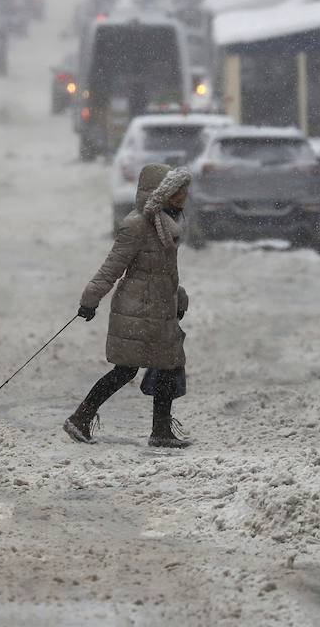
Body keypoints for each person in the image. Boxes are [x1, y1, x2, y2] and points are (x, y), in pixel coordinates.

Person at [65, 164, 194, 449]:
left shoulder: (165, 224)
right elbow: (112, 267)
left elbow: (164, 272)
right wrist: (90, 299)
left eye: (185, 190)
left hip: (158, 309)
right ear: (161, 193)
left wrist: (179, 297)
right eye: (178, 190)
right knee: (128, 369)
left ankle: (159, 430)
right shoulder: (137, 225)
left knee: (168, 365)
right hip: (137, 309)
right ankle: (81, 418)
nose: (184, 195)